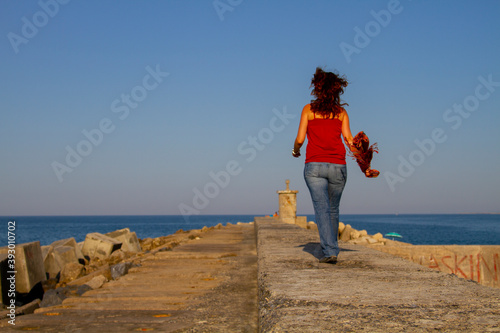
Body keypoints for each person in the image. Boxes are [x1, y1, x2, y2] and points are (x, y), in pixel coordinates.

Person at [292, 67, 377, 264]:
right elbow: (349, 141)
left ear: (317, 89)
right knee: (333, 209)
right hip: (338, 166)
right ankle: (332, 249)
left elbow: (299, 139)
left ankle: (330, 250)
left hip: (314, 166)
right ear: (336, 91)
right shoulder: (341, 113)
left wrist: (295, 151)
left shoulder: (308, 109)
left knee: (321, 208)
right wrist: (364, 166)